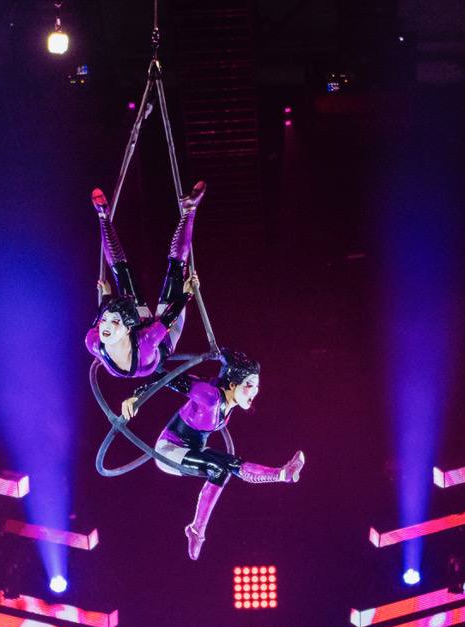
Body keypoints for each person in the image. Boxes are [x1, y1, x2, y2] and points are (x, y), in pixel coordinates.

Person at [123, 349, 305, 559]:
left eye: (256, 386)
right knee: (218, 469)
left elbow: (228, 355)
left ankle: (282, 474)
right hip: (170, 450)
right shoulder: (209, 396)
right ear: (232, 385)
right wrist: (134, 396)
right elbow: (167, 378)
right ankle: (197, 531)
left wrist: (222, 353)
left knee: (229, 465)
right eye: (249, 385)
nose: (254, 391)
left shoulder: (228, 397)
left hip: (193, 448)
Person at [86, 182, 205, 378]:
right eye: (108, 320)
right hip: (162, 338)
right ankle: (190, 210)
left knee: (122, 274)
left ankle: (103, 218)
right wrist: (187, 295)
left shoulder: (94, 340)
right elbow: (167, 318)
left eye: (111, 321)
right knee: (176, 272)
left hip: (139, 325)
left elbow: (99, 318)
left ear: (127, 329)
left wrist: (106, 298)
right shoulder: (148, 342)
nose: (104, 325)